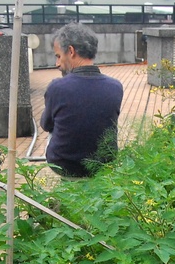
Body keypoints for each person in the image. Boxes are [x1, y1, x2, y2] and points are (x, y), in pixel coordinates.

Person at [40, 23, 124, 178]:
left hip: (65, 166)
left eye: (58, 56)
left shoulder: (57, 87)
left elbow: (46, 125)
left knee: (54, 124)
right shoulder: (115, 86)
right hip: (104, 164)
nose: (57, 63)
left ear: (71, 51)